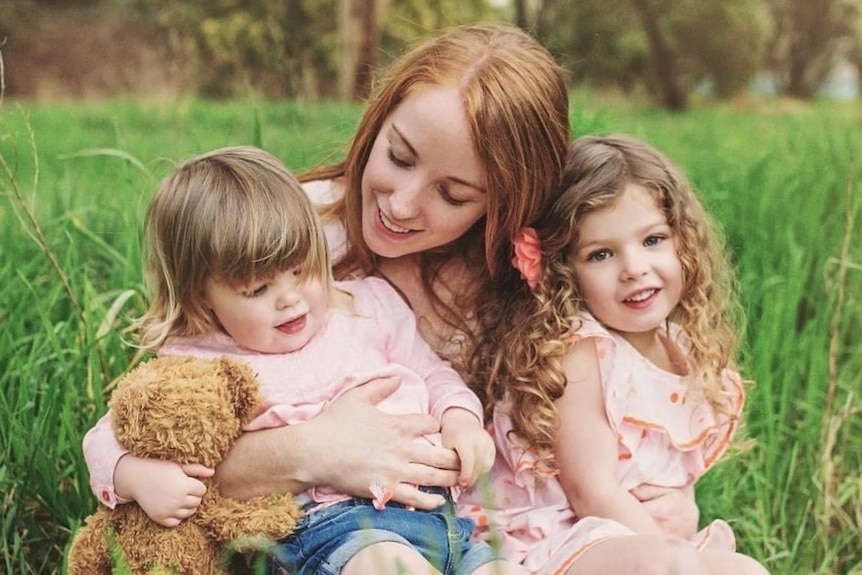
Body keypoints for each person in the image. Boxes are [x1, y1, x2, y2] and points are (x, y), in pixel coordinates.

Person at [86, 22, 700, 574]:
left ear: (506, 207)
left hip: (492, 532)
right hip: (337, 533)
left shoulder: (530, 276)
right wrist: (313, 451)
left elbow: (615, 395)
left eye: (454, 195)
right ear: (377, 119)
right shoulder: (295, 247)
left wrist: (665, 492)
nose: (402, 204)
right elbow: (169, 429)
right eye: (398, 156)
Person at [83, 145, 529, 575]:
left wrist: (460, 420)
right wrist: (135, 476)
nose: (291, 299)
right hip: (333, 532)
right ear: (203, 297)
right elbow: (108, 437)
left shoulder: (366, 304)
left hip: (445, 521)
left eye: (301, 270)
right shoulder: (200, 359)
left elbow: (434, 374)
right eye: (258, 289)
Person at [460, 134, 770, 574]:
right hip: (550, 542)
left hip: (635, 541)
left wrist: (684, 511)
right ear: (564, 272)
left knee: (747, 571)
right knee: (675, 566)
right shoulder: (582, 354)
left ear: (683, 240)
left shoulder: (682, 350)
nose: (634, 268)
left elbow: (674, 480)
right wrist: (672, 550)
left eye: (653, 240)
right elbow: (592, 493)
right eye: (601, 253)